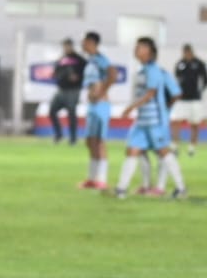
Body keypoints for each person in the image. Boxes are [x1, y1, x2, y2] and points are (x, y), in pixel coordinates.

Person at [116, 37, 186, 200]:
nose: (136, 50)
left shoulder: (154, 71)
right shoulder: (142, 71)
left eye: (140, 47)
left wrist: (130, 108)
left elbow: (151, 94)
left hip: (155, 121)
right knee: (132, 150)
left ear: (149, 51)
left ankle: (180, 188)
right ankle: (121, 189)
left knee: (163, 152)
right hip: (142, 120)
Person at [78, 31, 117, 190]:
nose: (82, 45)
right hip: (92, 105)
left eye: (84, 42)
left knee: (100, 141)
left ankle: (102, 178)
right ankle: (92, 178)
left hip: (101, 104)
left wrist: (102, 91)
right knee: (90, 140)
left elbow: (113, 74)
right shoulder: (90, 61)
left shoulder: (101, 60)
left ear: (91, 43)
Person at [48, 38, 85, 145]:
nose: (66, 48)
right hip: (61, 90)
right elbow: (56, 72)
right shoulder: (62, 59)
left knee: (71, 114)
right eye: (64, 46)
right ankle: (58, 134)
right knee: (52, 111)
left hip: (73, 90)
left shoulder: (79, 59)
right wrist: (56, 74)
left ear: (71, 46)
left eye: (67, 46)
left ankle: (73, 138)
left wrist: (78, 77)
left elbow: (85, 72)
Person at [173, 43, 205, 156]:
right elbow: (176, 78)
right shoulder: (180, 64)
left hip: (195, 98)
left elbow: (204, 79)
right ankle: (175, 145)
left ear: (191, 52)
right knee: (176, 122)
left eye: (187, 52)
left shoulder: (199, 63)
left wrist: (200, 91)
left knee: (195, 123)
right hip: (182, 99)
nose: (186, 54)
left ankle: (192, 147)